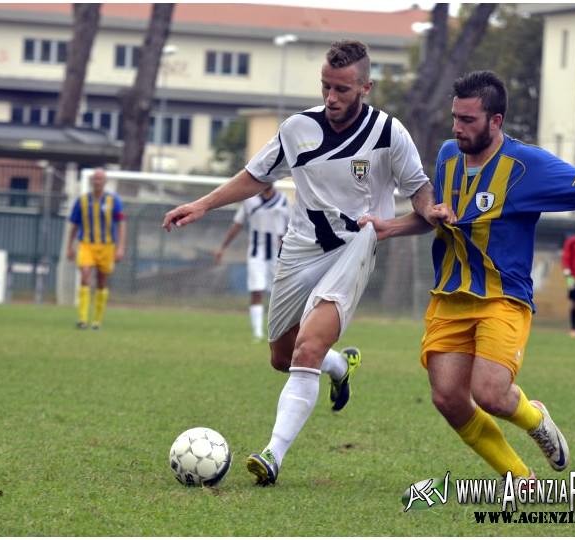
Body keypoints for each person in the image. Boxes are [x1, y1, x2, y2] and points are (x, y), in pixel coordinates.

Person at [361, 71, 575, 486]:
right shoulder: (446, 155)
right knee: (448, 398)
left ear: (496, 121)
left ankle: (535, 418)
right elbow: (437, 219)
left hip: (502, 298)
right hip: (449, 297)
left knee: (491, 394)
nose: (458, 128)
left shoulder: (527, 165)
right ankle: (521, 479)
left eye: (469, 120)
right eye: (455, 118)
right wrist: (389, 227)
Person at [163, 39, 451, 486]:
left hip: (353, 249)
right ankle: (340, 366)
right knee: (282, 357)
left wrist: (429, 209)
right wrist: (202, 205)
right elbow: (254, 176)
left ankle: (271, 456)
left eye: (342, 89)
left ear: (366, 87)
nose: (331, 98)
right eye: (326, 87)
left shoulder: (389, 134)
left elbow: (418, 185)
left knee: (307, 349)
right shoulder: (297, 128)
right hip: (299, 252)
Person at [213, 184, 290, 342]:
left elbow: (291, 227)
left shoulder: (283, 200)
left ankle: (280, 332)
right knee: (256, 290)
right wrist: (223, 247)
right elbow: (237, 224)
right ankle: (257, 333)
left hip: (278, 254)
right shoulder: (250, 201)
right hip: (257, 253)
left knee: (281, 294)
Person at [66, 168, 126, 330]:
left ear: (105, 182)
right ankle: (82, 319)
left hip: (107, 246)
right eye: (95, 179)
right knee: (85, 276)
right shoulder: (82, 201)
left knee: (101, 281)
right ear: (91, 181)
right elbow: (74, 225)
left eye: (101, 179)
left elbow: (121, 224)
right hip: (86, 244)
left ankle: (97, 321)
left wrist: (120, 247)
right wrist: (69, 247)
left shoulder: (114, 201)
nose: (97, 181)